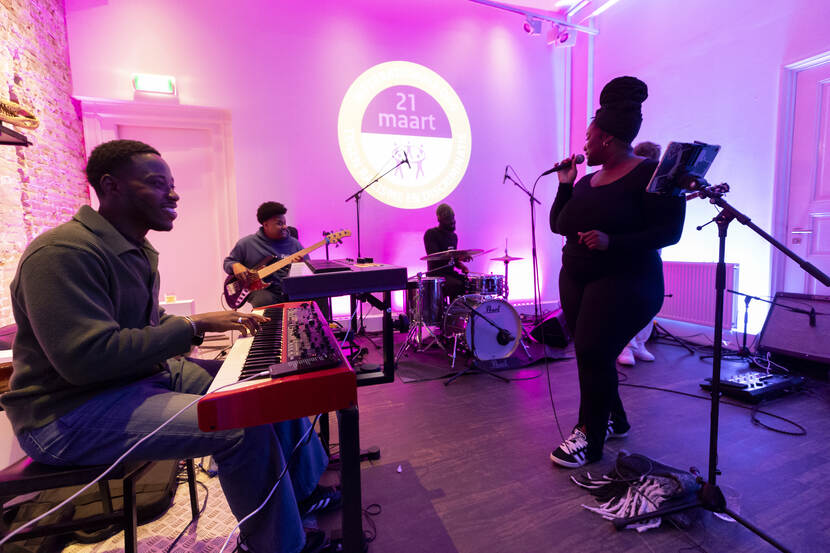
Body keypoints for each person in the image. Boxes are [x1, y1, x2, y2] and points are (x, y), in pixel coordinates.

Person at [0, 140, 334, 553]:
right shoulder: (62, 253)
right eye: (158, 183)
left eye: (172, 184)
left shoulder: (134, 249)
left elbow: (143, 328)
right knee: (238, 424)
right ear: (112, 186)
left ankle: (301, 500)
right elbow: (85, 360)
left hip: (137, 380)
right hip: (67, 413)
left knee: (263, 387)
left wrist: (193, 326)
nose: (173, 193)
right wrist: (192, 325)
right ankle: (280, 546)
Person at [548, 77, 686, 468]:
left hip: (627, 280)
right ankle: (615, 418)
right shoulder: (587, 180)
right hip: (577, 278)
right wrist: (564, 185)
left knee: (593, 352)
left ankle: (589, 437)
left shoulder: (653, 174)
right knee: (594, 354)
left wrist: (613, 242)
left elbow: (669, 233)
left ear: (606, 138)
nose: (584, 144)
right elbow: (560, 224)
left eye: (589, 137)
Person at [616, 140, 663, 367]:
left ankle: (640, 342)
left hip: (652, 244)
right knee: (629, 297)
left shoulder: (660, 183)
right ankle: (626, 345)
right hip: (632, 245)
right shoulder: (629, 180)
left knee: (649, 298)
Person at [224, 202, 306, 308]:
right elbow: (228, 262)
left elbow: (308, 270)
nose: (285, 226)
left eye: (285, 223)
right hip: (260, 290)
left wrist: (300, 266)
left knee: (317, 295)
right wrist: (235, 265)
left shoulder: (295, 244)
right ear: (265, 225)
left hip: (288, 289)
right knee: (264, 300)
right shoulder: (247, 243)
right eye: (279, 223)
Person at [423, 203, 470, 300]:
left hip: (449, 274)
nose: (452, 222)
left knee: (467, 282)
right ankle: (452, 311)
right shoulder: (431, 234)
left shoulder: (454, 236)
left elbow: (454, 261)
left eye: (453, 218)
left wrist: (462, 265)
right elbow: (435, 257)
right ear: (440, 219)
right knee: (457, 284)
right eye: (449, 220)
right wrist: (458, 257)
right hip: (436, 275)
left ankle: (460, 311)